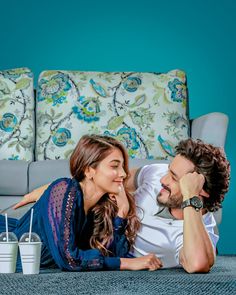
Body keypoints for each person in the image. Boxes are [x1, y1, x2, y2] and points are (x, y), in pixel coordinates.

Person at [13, 138, 230, 273]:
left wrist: (190, 198)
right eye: (168, 171)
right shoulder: (156, 174)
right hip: (71, 231)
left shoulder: (201, 231)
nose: (163, 179)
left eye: (174, 177)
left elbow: (197, 264)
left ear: (198, 189)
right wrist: (47, 191)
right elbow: (97, 178)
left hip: (101, 245)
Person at [0, 134, 161, 272]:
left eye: (123, 167)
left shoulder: (101, 206)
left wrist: (122, 213)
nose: (124, 174)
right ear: (89, 170)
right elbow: (70, 259)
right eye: (114, 166)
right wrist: (126, 264)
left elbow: (114, 255)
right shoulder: (63, 190)